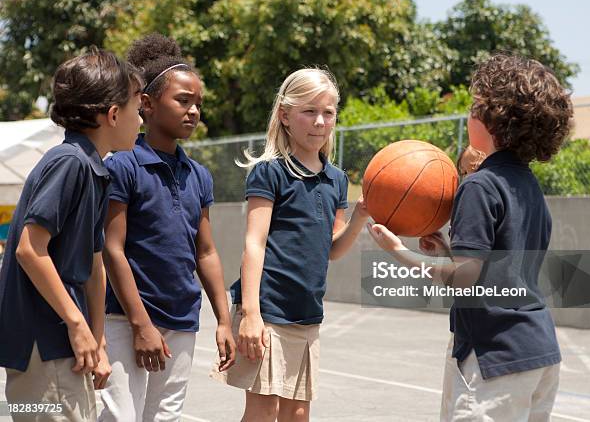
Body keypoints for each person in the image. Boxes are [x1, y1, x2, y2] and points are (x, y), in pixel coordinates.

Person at [368, 53, 573, 422]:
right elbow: (498, 271)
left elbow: (465, 277)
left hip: (495, 356)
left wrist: (396, 250)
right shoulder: (527, 185)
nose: (469, 113)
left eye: (476, 106)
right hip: (539, 350)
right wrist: (449, 250)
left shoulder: (479, 185)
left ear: (498, 121)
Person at [210, 68, 369, 422]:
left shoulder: (337, 179)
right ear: (284, 115)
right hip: (268, 312)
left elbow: (332, 249)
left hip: (307, 314)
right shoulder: (270, 172)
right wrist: (251, 314)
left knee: (298, 415)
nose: (319, 121)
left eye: (328, 113)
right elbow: (255, 243)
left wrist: (360, 217)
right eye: (309, 111)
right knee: (263, 413)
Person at [0, 49, 143, 421]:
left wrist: (98, 339)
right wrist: (78, 325)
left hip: (66, 344)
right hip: (45, 345)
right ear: (113, 114)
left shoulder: (94, 169)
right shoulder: (69, 163)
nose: (140, 120)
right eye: (136, 110)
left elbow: (95, 262)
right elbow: (30, 250)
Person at [98, 33, 235, 422]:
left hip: (181, 319)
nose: (193, 111)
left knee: (164, 417)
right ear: (147, 104)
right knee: (120, 416)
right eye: (182, 100)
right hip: (125, 318)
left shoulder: (199, 175)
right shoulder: (123, 164)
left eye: (198, 104)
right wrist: (141, 325)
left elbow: (205, 252)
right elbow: (112, 249)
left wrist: (224, 321)